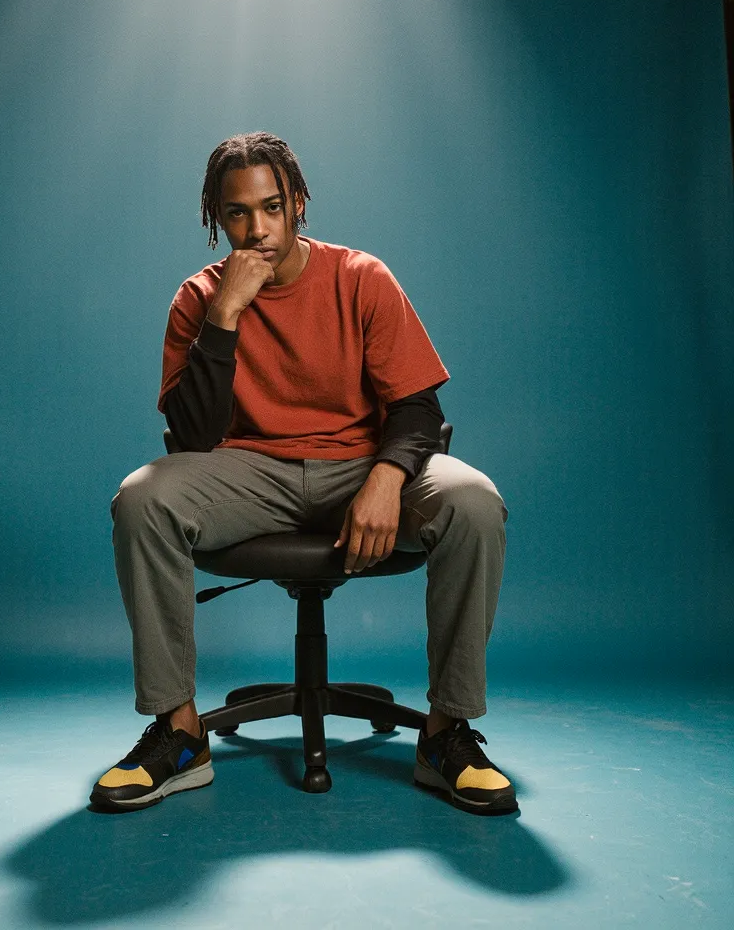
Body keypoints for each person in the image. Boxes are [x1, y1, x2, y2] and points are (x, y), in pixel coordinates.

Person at [91, 132, 515, 816]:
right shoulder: (199, 297)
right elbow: (193, 438)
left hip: (361, 467)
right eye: (237, 213)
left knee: (473, 501)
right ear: (215, 218)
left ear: (299, 204)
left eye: (272, 206)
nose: (257, 229)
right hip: (248, 472)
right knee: (143, 499)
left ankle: (447, 734)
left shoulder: (361, 277)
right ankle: (180, 734)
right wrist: (226, 314)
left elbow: (415, 406)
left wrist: (384, 479)